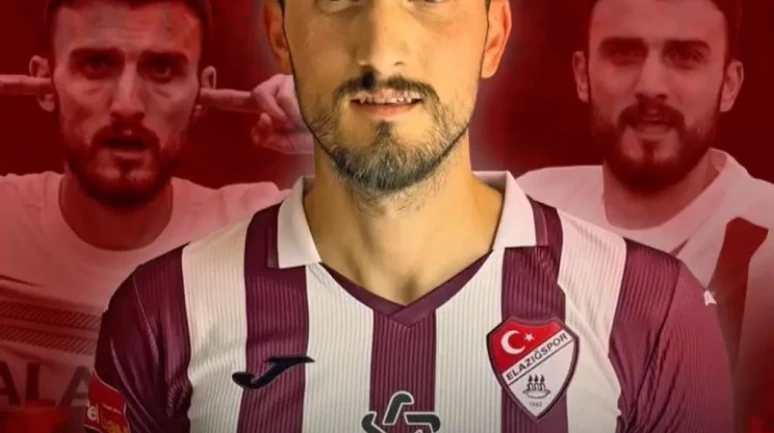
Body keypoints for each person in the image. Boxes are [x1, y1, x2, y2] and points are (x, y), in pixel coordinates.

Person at [86, 0, 732, 432]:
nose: (382, 52)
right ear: (280, 33)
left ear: (493, 35)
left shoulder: (650, 309)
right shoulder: (163, 310)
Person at [0, 0, 305, 431]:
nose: (127, 105)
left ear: (202, 92)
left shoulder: (264, 234)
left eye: (161, 69)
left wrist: (334, 139)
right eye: (95, 65)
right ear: (45, 83)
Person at [516, 0, 774, 428]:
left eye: (685, 56)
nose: (650, 85)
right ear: (582, 75)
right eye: (624, 53)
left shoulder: (767, 245)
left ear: (729, 85)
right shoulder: (525, 207)